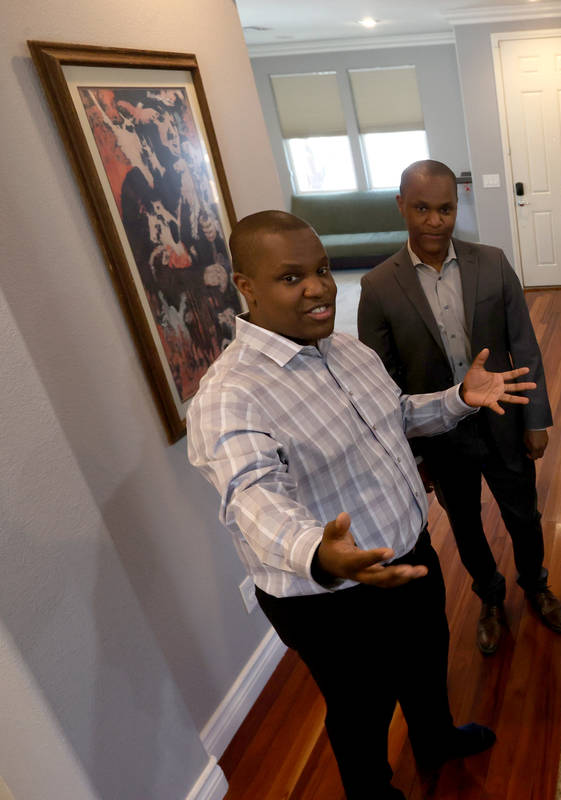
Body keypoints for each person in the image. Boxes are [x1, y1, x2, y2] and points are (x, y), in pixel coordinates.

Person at [187, 210, 536, 799]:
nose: (318, 286)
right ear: (246, 286)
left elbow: (394, 417)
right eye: (291, 277)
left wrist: (458, 398)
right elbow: (250, 495)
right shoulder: (229, 396)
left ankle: (435, 738)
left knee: (426, 662)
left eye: (321, 270)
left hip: (409, 549)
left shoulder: (347, 351)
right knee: (361, 709)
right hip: (333, 595)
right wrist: (317, 553)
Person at [358, 159, 561, 656]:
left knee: (524, 513)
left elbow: (526, 345)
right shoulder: (379, 287)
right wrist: (412, 455)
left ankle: (535, 584)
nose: (435, 221)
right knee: (466, 525)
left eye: (446, 208)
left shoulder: (492, 262)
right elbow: (383, 382)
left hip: (504, 421)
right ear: (401, 206)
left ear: (457, 206)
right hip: (440, 435)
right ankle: (490, 598)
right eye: (422, 208)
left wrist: (536, 418)